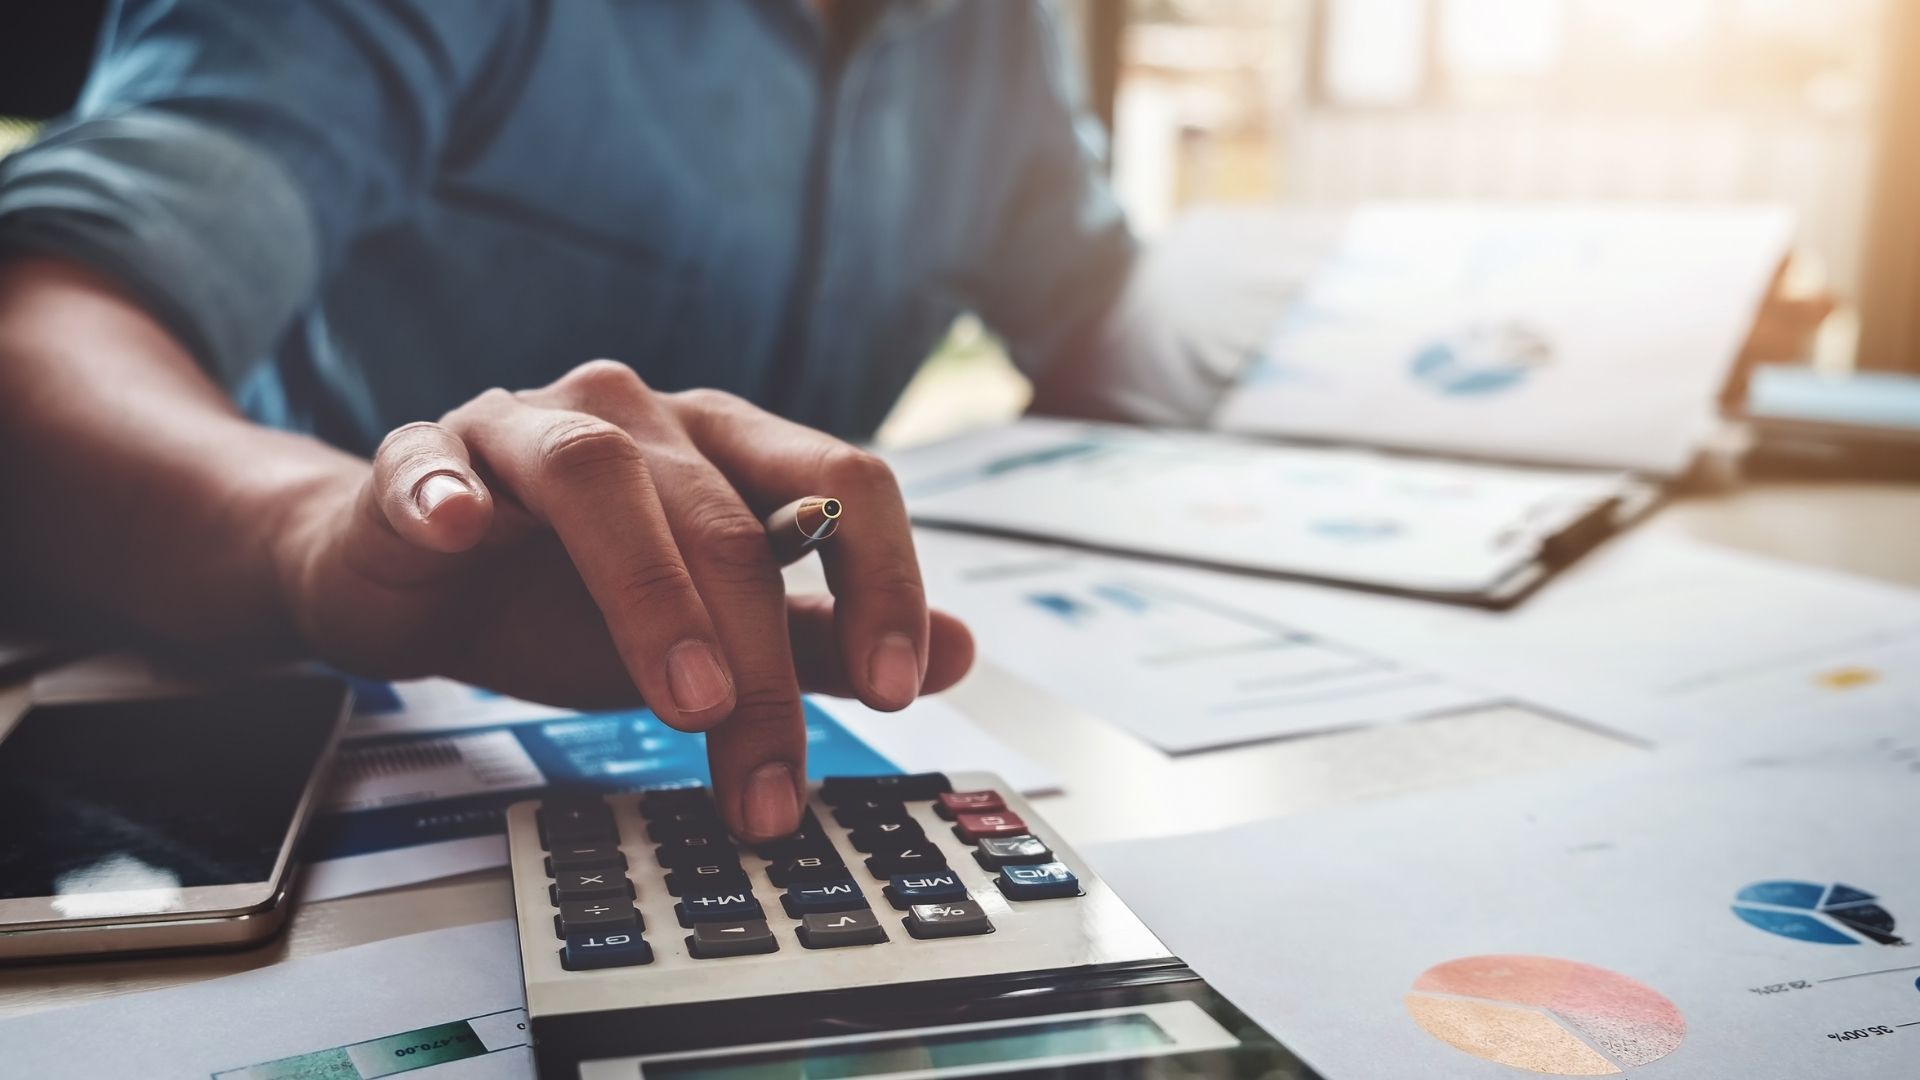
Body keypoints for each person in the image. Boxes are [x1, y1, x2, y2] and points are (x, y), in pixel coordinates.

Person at [0, 1, 1206, 840]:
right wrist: (309, 532)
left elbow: (1099, 317)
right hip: (303, 713)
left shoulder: (992, 27)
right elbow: (40, 318)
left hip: (749, 728)